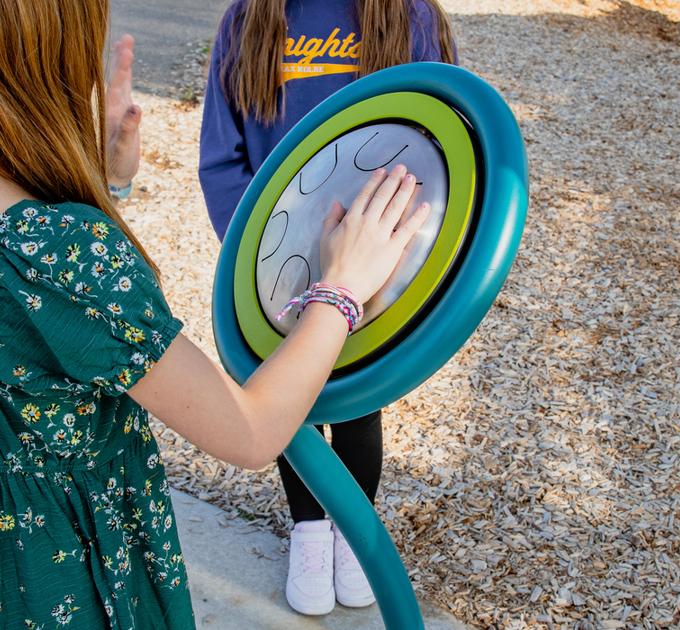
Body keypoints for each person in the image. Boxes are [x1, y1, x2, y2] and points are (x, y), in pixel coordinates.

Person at [0, 1, 430, 628]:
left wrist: (101, 182)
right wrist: (341, 286)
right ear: (41, 48)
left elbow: (29, 319)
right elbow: (252, 431)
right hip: (69, 572)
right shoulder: (53, 247)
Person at [197, 0, 458, 616]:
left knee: (358, 400)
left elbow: (442, 136)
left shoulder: (410, 16)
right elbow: (220, 157)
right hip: (280, 260)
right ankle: (309, 533)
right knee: (295, 398)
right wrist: (257, 256)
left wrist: (400, 254)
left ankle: (351, 533)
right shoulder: (251, 18)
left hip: (376, 255)